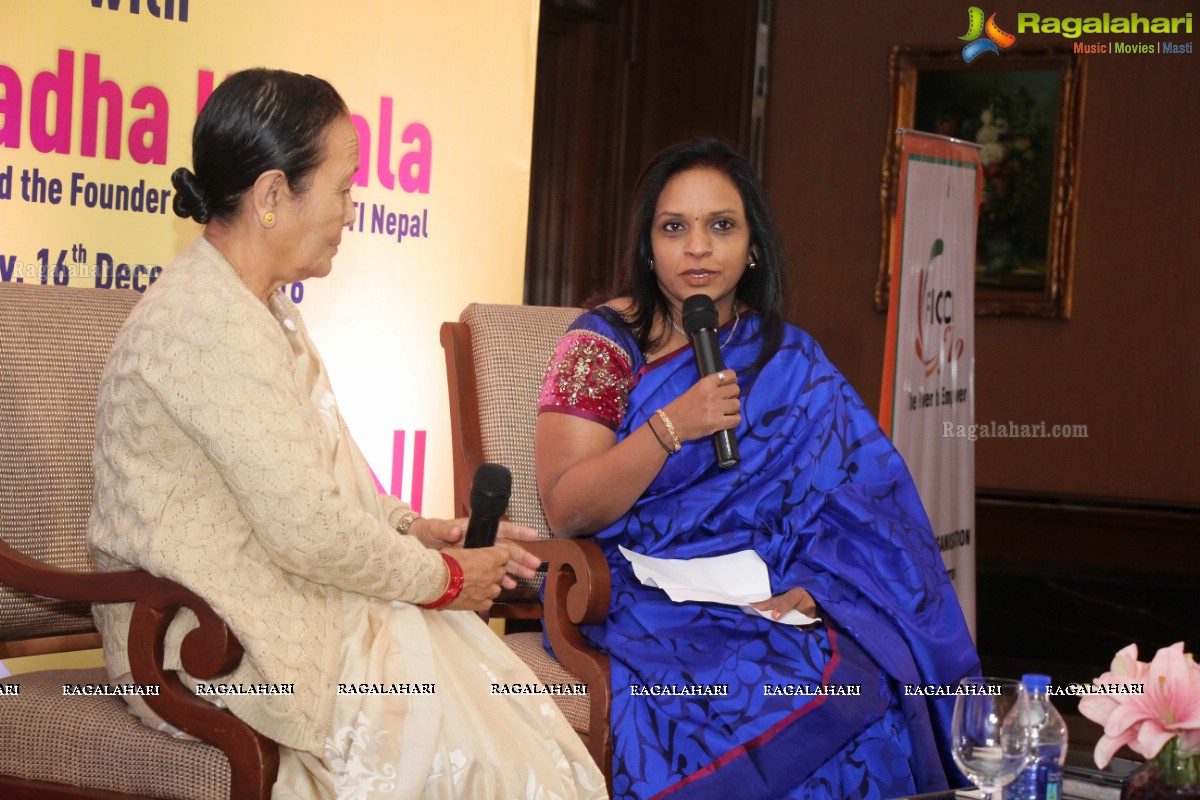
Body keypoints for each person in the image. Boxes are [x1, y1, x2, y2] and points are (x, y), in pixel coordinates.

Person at [87, 68, 605, 799]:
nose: (350, 210)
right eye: (342, 186)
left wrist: (416, 530)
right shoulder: (207, 322)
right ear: (272, 196)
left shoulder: (256, 307)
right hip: (203, 637)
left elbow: (316, 477)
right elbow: (307, 528)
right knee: (481, 754)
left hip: (268, 598)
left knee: (493, 725)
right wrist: (449, 581)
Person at [535, 136, 980, 799]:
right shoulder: (602, 344)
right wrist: (671, 427)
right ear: (646, 247)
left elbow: (867, 513)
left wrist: (820, 588)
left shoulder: (789, 361)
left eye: (721, 225)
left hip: (763, 592)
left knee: (869, 691)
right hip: (637, 593)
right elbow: (566, 508)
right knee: (751, 694)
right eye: (674, 227)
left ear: (753, 247)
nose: (697, 247)